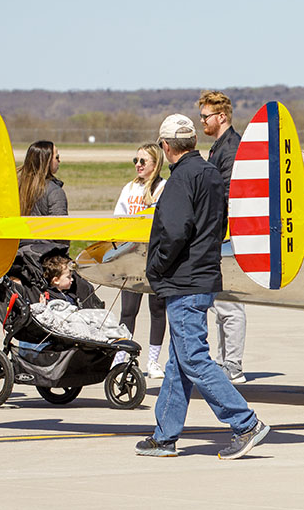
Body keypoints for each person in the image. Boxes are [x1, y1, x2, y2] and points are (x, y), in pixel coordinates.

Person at [135, 114, 268, 459]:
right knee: (180, 361)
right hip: (205, 275)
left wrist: (156, 266)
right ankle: (164, 437)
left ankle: (245, 423)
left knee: (193, 358)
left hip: (184, 281)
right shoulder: (211, 173)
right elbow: (221, 222)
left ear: (165, 147)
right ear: (193, 141)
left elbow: (176, 231)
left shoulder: (181, 179)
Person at [197, 91, 247, 383]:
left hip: (228, 236)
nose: (202, 120)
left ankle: (234, 364)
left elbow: (228, 196)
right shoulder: (219, 147)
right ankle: (225, 360)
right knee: (222, 304)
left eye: (206, 116)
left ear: (222, 117)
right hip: (220, 234)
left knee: (230, 303)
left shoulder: (231, 149)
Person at [114, 142, 169, 378]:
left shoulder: (163, 188)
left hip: (155, 256)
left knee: (157, 308)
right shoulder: (129, 188)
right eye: (135, 161)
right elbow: (118, 218)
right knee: (128, 309)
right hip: (132, 255)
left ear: (155, 164)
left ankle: (153, 362)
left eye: (142, 161)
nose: (137, 165)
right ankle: (120, 356)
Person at [18, 140, 67, 217]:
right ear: (47, 161)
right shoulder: (55, 192)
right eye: (56, 157)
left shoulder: (18, 186)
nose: (59, 160)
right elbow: (60, 225)